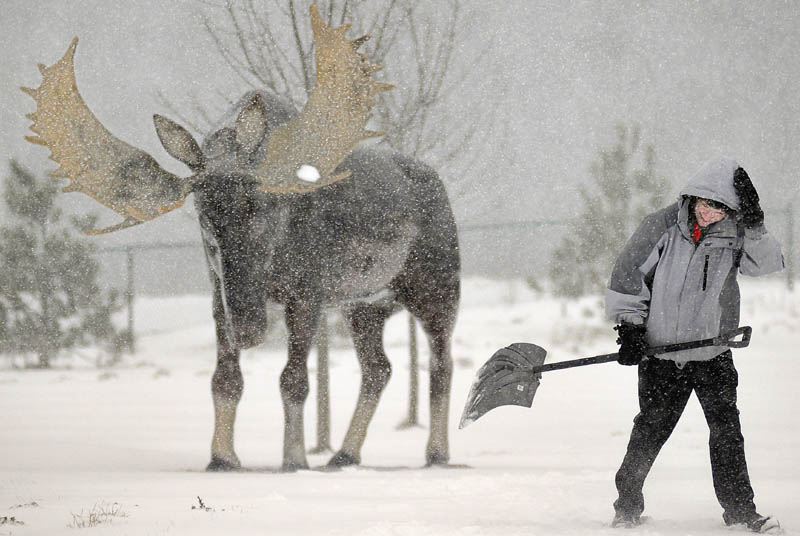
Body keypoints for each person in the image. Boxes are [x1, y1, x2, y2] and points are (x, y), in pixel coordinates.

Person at [605, 156, 785, 533]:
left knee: (726, 433)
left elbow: (767, 264)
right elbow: (627, 274)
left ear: (732, 210)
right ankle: (627, 509)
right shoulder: (662, 225)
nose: (709, 213)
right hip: (663, 354)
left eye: (720, 207)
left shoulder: (735, 233)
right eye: (705, 203)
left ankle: (740, 512)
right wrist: (631, 328)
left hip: (712, 351)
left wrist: (755, 225)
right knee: (650, 431)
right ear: (691, 197)